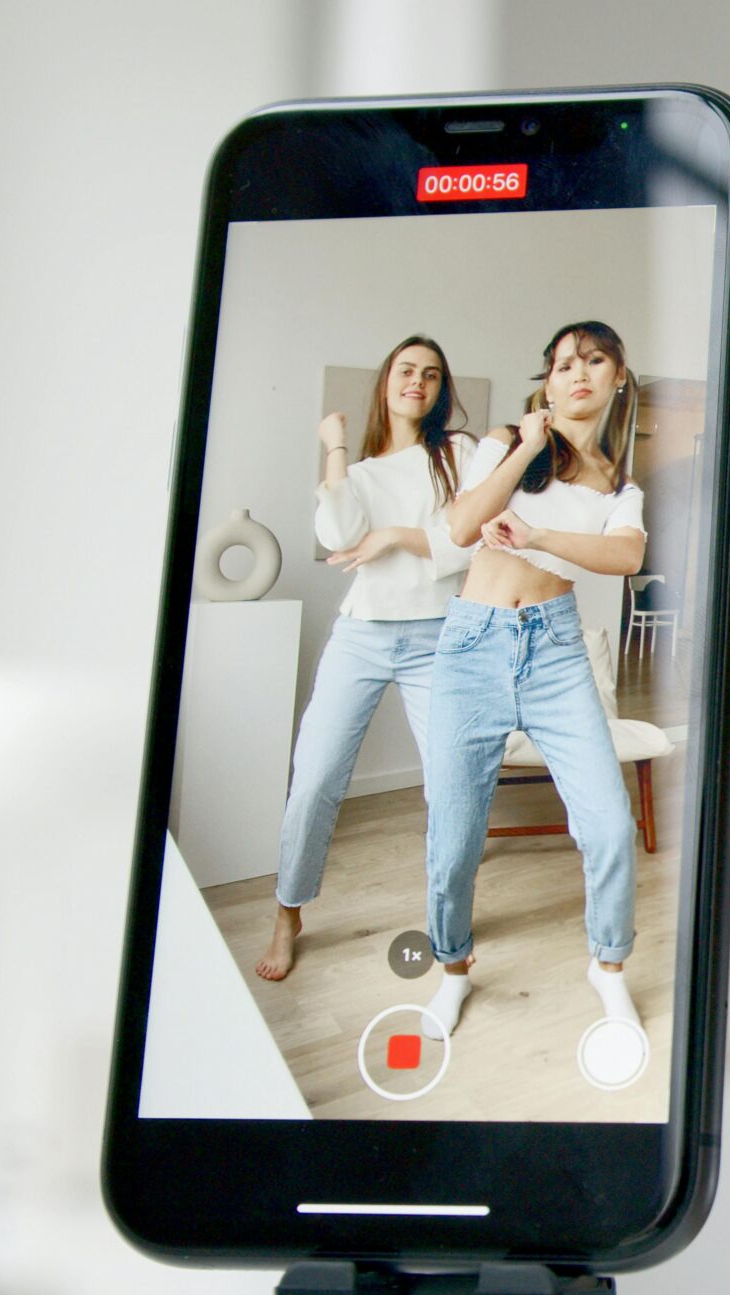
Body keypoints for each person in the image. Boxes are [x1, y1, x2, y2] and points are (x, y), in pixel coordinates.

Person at [419, 320, 648, 1038]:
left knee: (610, 827)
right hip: (471, 646)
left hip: (555, 652)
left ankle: (608, 967)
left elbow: (626, 557)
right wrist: (525, 444)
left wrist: (539, 536)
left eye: (594, 360)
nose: (577, 373)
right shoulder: (505, 443)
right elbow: (462, 527)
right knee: (453, 839)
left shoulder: (619, 483)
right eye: (562, 364)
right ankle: (453, 969)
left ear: (617, 377)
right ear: (546, 382)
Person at [256, 335, 480, 982]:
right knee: (315, 779)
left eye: (431, 374)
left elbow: (468, 542)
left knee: (452, 786)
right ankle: (288, 912)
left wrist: (394, 538)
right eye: (407, 370)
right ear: (387, 382)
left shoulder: (458, 454)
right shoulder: (356, 473)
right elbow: (337, 534)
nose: (418, 382)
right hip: (362, 636)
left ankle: (450, 924)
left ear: (440, 390)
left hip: (437, 637)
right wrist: (334, 446)